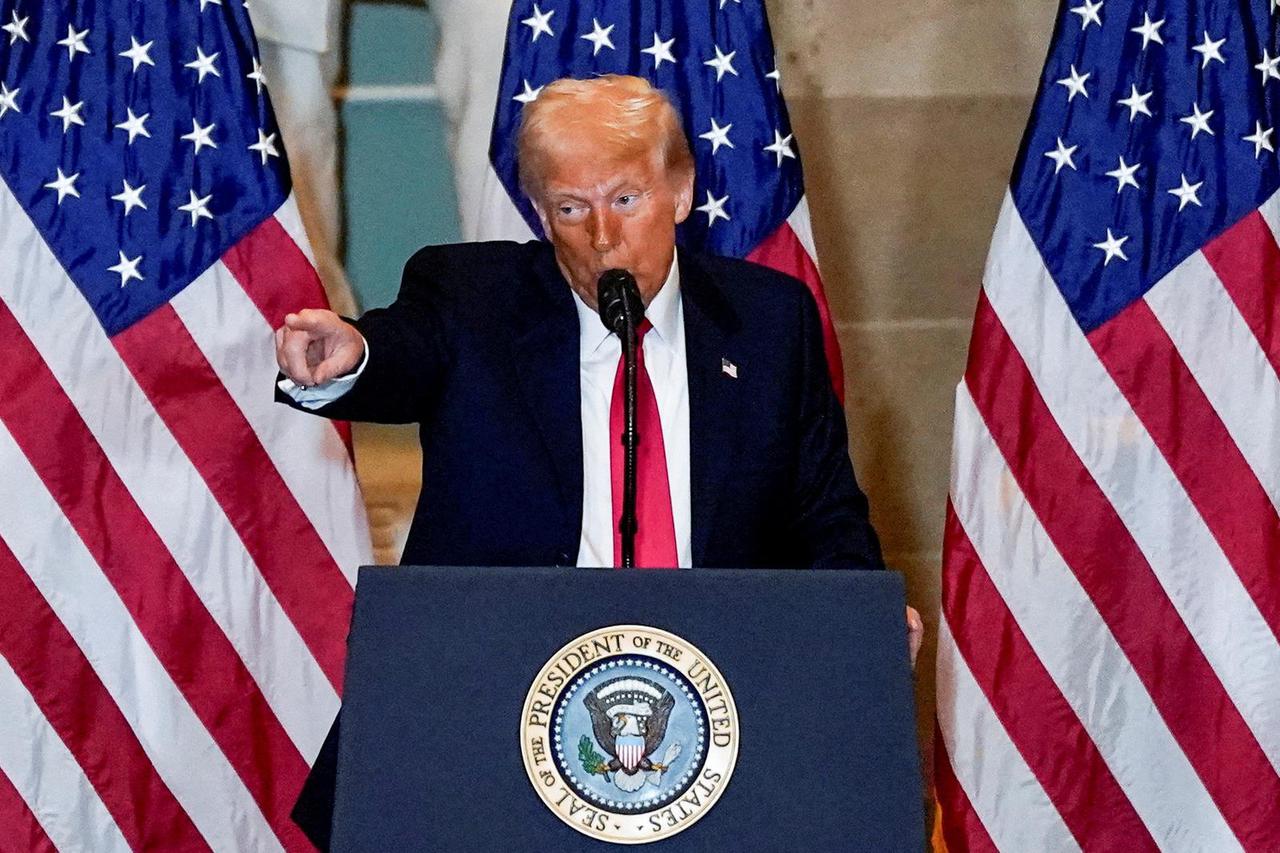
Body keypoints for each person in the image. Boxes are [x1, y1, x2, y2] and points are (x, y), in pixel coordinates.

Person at [275, 74, 923, 848]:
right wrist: (352, 356)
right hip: (493, 708)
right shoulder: (471, 296)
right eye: (571, 209)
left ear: (680, 192)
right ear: (542, 214)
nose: (601, 238)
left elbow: (823, 513)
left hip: (719, 711)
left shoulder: (767, 320)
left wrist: (862, 624)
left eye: (625, 199)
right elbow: (402, 354)